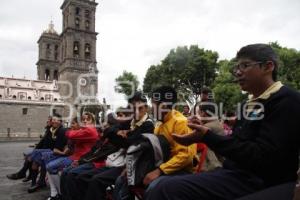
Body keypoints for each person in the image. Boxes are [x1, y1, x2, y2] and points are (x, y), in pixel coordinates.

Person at [145, 44, 300, 200]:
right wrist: (203, 135)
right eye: (237, 67)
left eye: (245, 65)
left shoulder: (287, 100)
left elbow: (263, 157)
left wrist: (207, 136)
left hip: (261, 180)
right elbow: (237, 144)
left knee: (163, 189)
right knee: (161, 186)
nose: (238, 72)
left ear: (268, 66)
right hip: (233, 174)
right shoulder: (248, 105)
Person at [66, 92, 155, 200]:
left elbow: (130, 142)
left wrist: (120, 136)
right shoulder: (130, 122)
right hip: (119, 161)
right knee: (81, 177)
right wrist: (118, 133)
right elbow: (109, 130)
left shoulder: (148, 125)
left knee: (96, 180)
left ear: (146, 108)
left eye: (139, 109)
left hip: (134, 166)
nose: (136, 112)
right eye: (132, 109)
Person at [141, 86, 197, 199]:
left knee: (154, 188)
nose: (151, 108)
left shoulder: (181, 122)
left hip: (182, 171)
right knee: (126, 179)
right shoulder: (159, 125)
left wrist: (159, 171)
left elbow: (185, 156)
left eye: (153, 104)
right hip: (163, 167)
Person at [46, 113, 99, 200]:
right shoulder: (83, 130)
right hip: (74, 156)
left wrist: (70, 131)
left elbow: (69, 134)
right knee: (48, 161)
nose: (85, 121)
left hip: (80, 158)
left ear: (93, 121)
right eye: (83, 120)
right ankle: (55, 192)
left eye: (88, 119)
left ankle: (59, 193)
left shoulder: (89, 130)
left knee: (52, 167)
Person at [28, 114, 67, 193]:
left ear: (60, 121)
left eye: (56, 120)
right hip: (49, 150)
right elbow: (45, 142)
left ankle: (38, 181)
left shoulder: (61, 130)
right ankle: (35, 182)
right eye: (53, 120)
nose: (53, 121)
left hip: (55, 152)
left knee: (37, 157)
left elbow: (57, 146)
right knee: (35, 158)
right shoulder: (51, 130)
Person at [6, 116, 52, 182]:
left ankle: (23, 173)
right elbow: (43, 142)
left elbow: (48, 144)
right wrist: (36, 146)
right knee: (28, 155)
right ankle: (27, 174)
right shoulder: (48, 130)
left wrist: (37, 149)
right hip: (41, 150)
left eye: (49, 120)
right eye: (47, 120)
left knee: (31, 157)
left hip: (46, 152)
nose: (47, 122)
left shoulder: (50, 131)